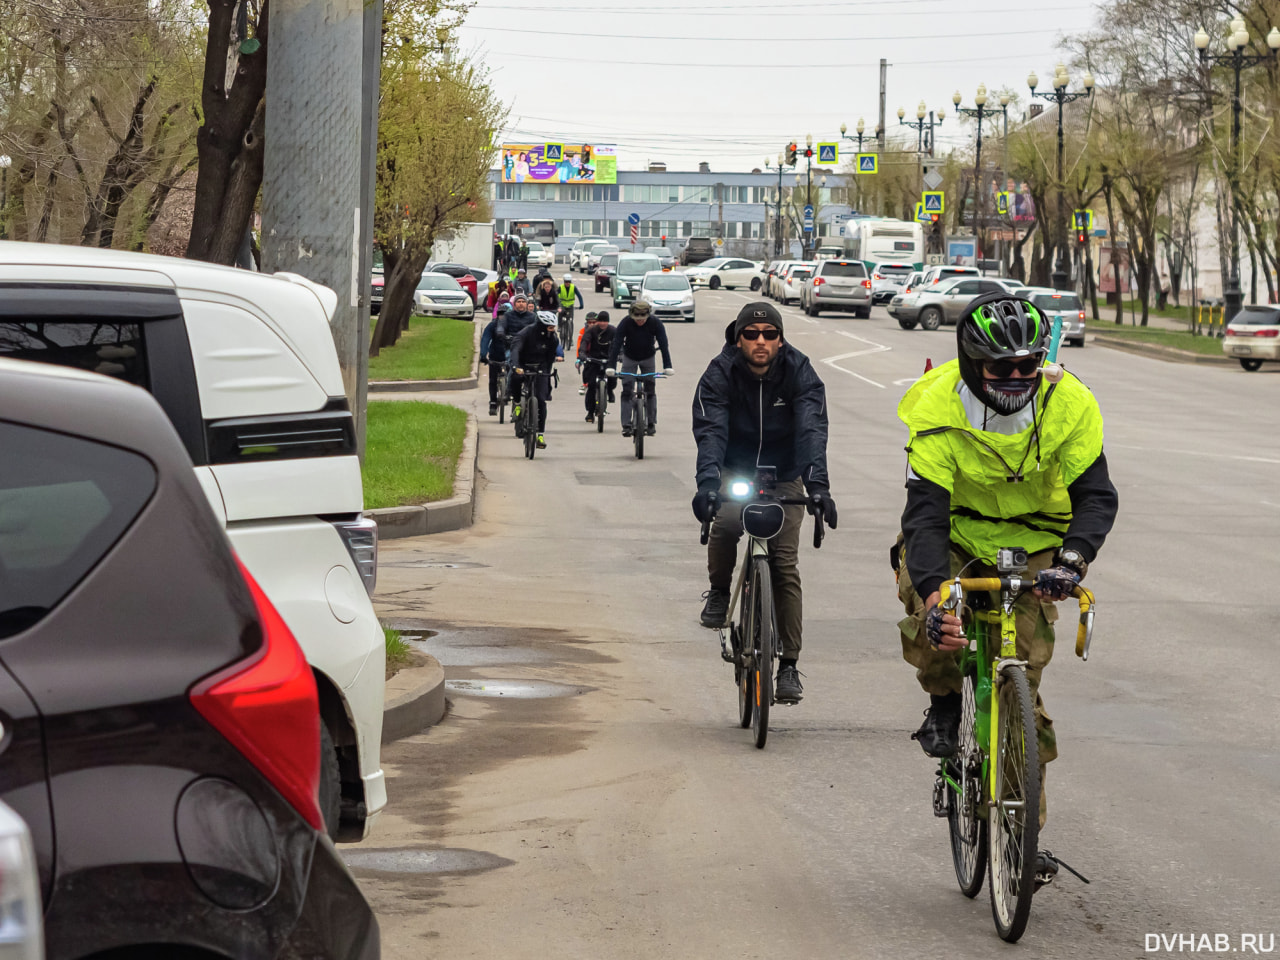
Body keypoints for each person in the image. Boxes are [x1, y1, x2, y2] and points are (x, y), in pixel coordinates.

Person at [895, 293, 1117, 877]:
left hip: (1038, 539)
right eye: (1001, 368)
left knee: (1025, 693)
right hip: (956, 533)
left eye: (1027, 365)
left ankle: (1022, 833)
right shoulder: (937, 404)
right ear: (972, 364)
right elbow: (924, 515)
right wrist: (934, 586)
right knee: (939, 620)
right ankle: (943, 703)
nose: (1016, 378)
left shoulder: (1068, 402)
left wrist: (1071, 562)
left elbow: (1095, 497)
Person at [690, 301, 836, 705]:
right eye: (751, 334)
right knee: (725, 526)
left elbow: (811, 428)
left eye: (769, 335)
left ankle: (789, 664)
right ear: (738, 339)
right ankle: (720, 592)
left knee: (784, 563)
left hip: (784, 475)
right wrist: (707, 484)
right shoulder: (720, 373)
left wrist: (818, 487)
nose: (760, 341)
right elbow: (711, 431)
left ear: (780, 339)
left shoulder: (799, 371)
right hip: (735, 471)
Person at [605, 300, 672, 438]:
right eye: (637, 319)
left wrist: (668, 366)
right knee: (627, 389)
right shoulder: (625, 323)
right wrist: (611, 366)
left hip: (648, 357)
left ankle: (651, 423)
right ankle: (626, 425)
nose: (640, 321)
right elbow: (616, 344)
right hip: (630, 357)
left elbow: (664, 345)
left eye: (643, 319)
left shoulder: (655, 323)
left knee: (650, 389)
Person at [508, 311, 560, 449]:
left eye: (553, 327)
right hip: (523, 364)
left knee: (541, 400)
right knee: (516, 378)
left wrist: (547, 375)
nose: (552, 329)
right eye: (550, 326)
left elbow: (550, 359)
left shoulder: (553, 339)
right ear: (541, 325)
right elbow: (515, 350)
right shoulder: (526, 333)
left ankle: (540, 435)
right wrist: (515, 366)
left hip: (540, 366)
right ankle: (518, 403)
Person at [577, 309, 617, 422]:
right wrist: (582, 354)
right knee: (591, 385)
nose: (603, 323)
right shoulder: (591, 330)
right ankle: (590, 412)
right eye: (601, 321)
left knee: (612, 378)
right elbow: (584, 342)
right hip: (593, 359)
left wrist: (621, 354)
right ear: (598, 321)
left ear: (608, 322)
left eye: (605, 321)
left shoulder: (613, 330)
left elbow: (619, 344)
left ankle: (609, 391)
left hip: (608, 359)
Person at [479, 311, 509, 416]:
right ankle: (492, 402)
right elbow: (485, 339)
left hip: (509, 356)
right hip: (495, 356)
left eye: (504, 315)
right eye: (500, 315)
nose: (502, 317)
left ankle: (510, 394)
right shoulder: (492, 325)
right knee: (492, 380)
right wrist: (483, 355)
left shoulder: (511, 325)